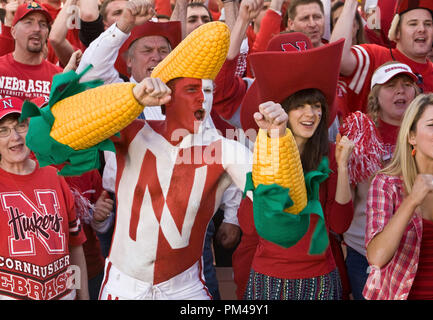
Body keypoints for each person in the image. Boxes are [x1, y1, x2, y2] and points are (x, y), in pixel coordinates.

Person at [23, 20, 308, 299]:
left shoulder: (226, 150)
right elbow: (45, 140)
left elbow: (281, 225)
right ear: (168, 96)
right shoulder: (133, 132)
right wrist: (131, 97)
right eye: (192, 90)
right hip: (122, 288)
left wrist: (277, 142)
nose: (203, 101)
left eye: (208, 91)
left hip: (186, 290)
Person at [234, 35, 354, 300]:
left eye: (316, 105)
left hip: (320, 278)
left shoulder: (332, 155)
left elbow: (340, 223)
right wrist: (271, 149)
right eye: (299, 106)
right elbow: (249, 225)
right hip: (268, 276)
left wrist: (343, 168)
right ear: (283, 112)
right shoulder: (264, 151)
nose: (310, 114)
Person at [342, 61, 420, 300]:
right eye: (391, 85)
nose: (400, 90)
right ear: (376, 95)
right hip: (365, 250)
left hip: (416, 248)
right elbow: (347, 197)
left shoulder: (430, 131)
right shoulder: (359, 133)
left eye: (407, 85)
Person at [0, 97, 89, 300]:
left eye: (20, 126)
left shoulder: (54, 176)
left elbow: (75, 246)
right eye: (3, 130)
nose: (15, 137)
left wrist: (83, 297)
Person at [364, 93, 433, 300]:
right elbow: (376, 257)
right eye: (432, 124)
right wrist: (411, 201)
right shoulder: (387, 184)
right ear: (412, 137)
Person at [330, 0, 433, 113]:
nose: (422, 29)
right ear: (397, 31)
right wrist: (351, 2)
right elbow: (337, 57)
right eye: (413, 24)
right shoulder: (375, 56)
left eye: (428, 24)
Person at [0, 1, 62, 100]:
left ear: (47, 33)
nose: (37, 29)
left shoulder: (58, 77)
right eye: (29, 22)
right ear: (13, 32)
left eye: (43, 24)